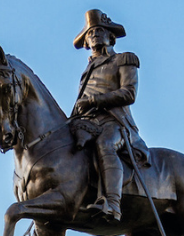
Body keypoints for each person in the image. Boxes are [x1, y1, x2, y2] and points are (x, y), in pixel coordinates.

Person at [69, 9, 150, 222]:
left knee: (105, 144)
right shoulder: (87, 71)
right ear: (86, 42)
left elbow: (129, 93)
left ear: (110, 36)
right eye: (90, 33)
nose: (94, 35)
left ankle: (112, 203)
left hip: (115, 122)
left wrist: (93, 101)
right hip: (87, 122)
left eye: (99, 31)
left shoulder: (124, 59)